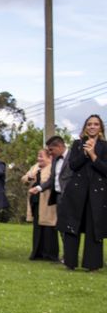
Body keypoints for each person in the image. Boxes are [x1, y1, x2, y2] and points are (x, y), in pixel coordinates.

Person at [55, 114, 107, 271]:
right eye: (89, 124)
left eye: (96, 124)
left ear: (100, 128)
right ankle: (70, 262)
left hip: (97, 194)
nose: (92, 126)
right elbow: (72, 165)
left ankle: (92, 264)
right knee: (72, 226)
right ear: (85, 127)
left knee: (94, 228)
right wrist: (85, 154)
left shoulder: (105, 146)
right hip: (77, 192)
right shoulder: (78, 144)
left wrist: (93, 156)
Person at [22, 149, 58, 261]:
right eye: (38, 156)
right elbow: (24, 178)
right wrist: (29, 178)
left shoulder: (53, 168)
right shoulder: (35, 167)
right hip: (36, 201)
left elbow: (52, 182)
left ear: (50, 158)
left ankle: (50, 254)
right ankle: (37, 253)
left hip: (48, 201)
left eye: (41, 157)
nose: (39, 159)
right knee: (37, 227)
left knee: (49, 227)